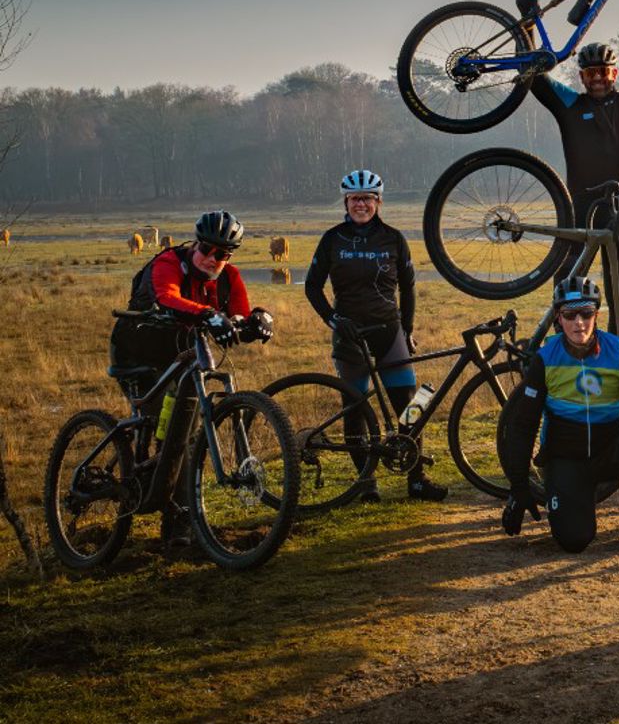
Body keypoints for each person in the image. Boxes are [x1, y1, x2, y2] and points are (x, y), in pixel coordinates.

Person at [108, 210, 272, 541]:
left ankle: (180, 518)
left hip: (183, 356)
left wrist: (257, 319)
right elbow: (167, 298)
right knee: (171, 430)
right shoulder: (169, 262)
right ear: (196, 244)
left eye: (222, 254)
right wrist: (209, 315)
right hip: (137, 352)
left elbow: (237, 315)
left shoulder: (229, 276)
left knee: (189, 430)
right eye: (207, 250)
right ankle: (177, 519)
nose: (213, 259)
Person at [498, 276, 619, 550]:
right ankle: (572, 498)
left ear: (596, 314)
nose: (578, 322)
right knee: (574, 541)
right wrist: (519, 486)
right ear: (558, 317)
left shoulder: (616, 350)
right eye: (570, 315)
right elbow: (524, 425)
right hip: (566, 458)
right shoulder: (546, 358)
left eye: (586, 313)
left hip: (610, 451)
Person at [305, 169, 445, 502]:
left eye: (367, 198)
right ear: (346, 202)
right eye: (355, 199)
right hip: (349, 334)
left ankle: (417, 479)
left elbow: (408, 288)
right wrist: (334, 320)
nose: (361, 205)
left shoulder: (394, 238)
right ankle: (365, 483)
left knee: (410, 406)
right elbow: (312, 287)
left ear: (378, 202)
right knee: (355, 411)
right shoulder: (332, 239)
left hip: (389, 331)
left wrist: (407, 330)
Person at [529, 32, 619, 343]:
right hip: (582, 205)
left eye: (603, 72)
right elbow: (535, 77)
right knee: (567, 278)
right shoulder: (571, 105)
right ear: (581, 76)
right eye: (590, 73)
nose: (597, 79)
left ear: (614, 73)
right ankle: (564, 347)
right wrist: (525, 28)